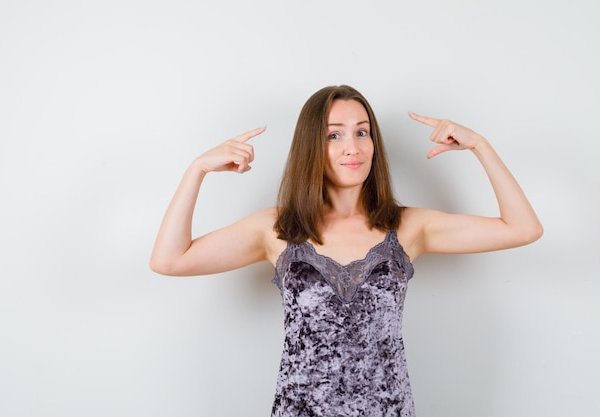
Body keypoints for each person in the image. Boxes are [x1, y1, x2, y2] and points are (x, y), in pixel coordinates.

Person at [150, 85, 543, 417]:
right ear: (312, 146)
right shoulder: (277, 229)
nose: (352, 148)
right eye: (334, 135)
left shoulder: (408, 227)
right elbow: (169, 260)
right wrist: (196, 170)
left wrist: (480, 146)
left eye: (362, 132)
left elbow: (523, 228)